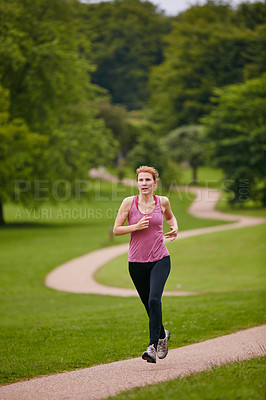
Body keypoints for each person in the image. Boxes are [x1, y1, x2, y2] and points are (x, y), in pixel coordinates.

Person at [113, 165, 178, 363]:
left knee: (153, 300)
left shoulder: (163, 201)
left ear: (154, 183)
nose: (144, 183)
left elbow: (170, 217)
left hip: (160, 258)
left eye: (148, 180)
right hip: (136, 262)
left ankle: (152, 346)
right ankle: (162, 335)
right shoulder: (128, 203)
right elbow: (116, 229)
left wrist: (174, 227)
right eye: (141, 180)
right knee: (148, 306)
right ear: (137, 183)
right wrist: (135, 226)